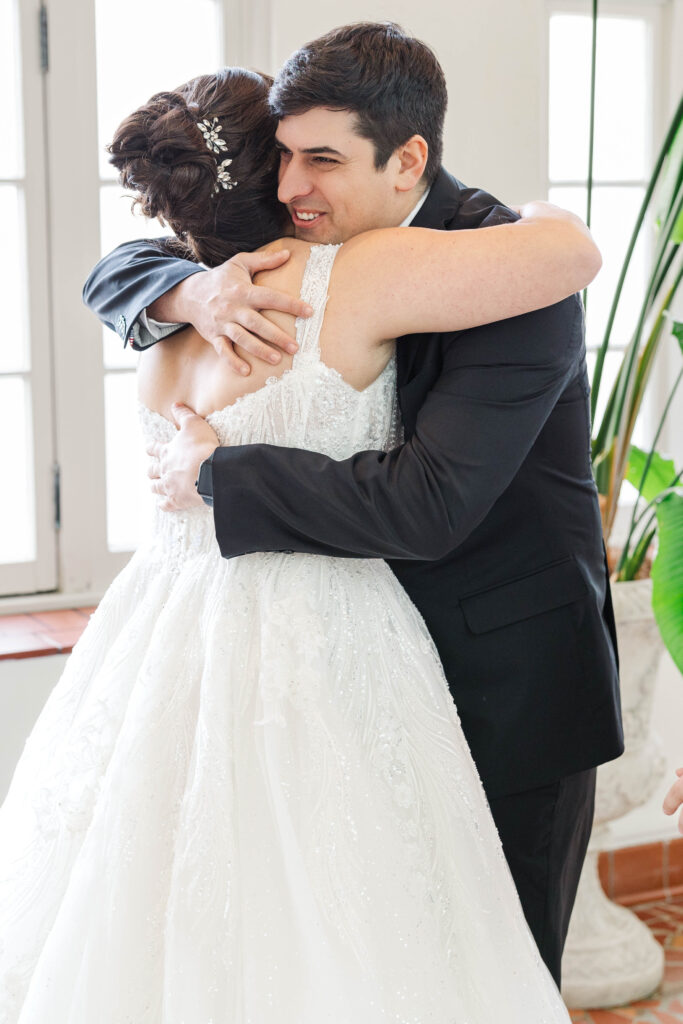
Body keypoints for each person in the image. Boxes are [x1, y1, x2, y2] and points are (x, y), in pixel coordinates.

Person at [0, 61, 601, 1021]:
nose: (296, 186)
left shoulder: (181, 312)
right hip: (326, 638)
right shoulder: (329, 276)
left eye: (318, 160)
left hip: (193, 633)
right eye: (285, 159)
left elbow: (432, 496)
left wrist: (189, 308)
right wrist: (558, 217)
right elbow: (570, 254)